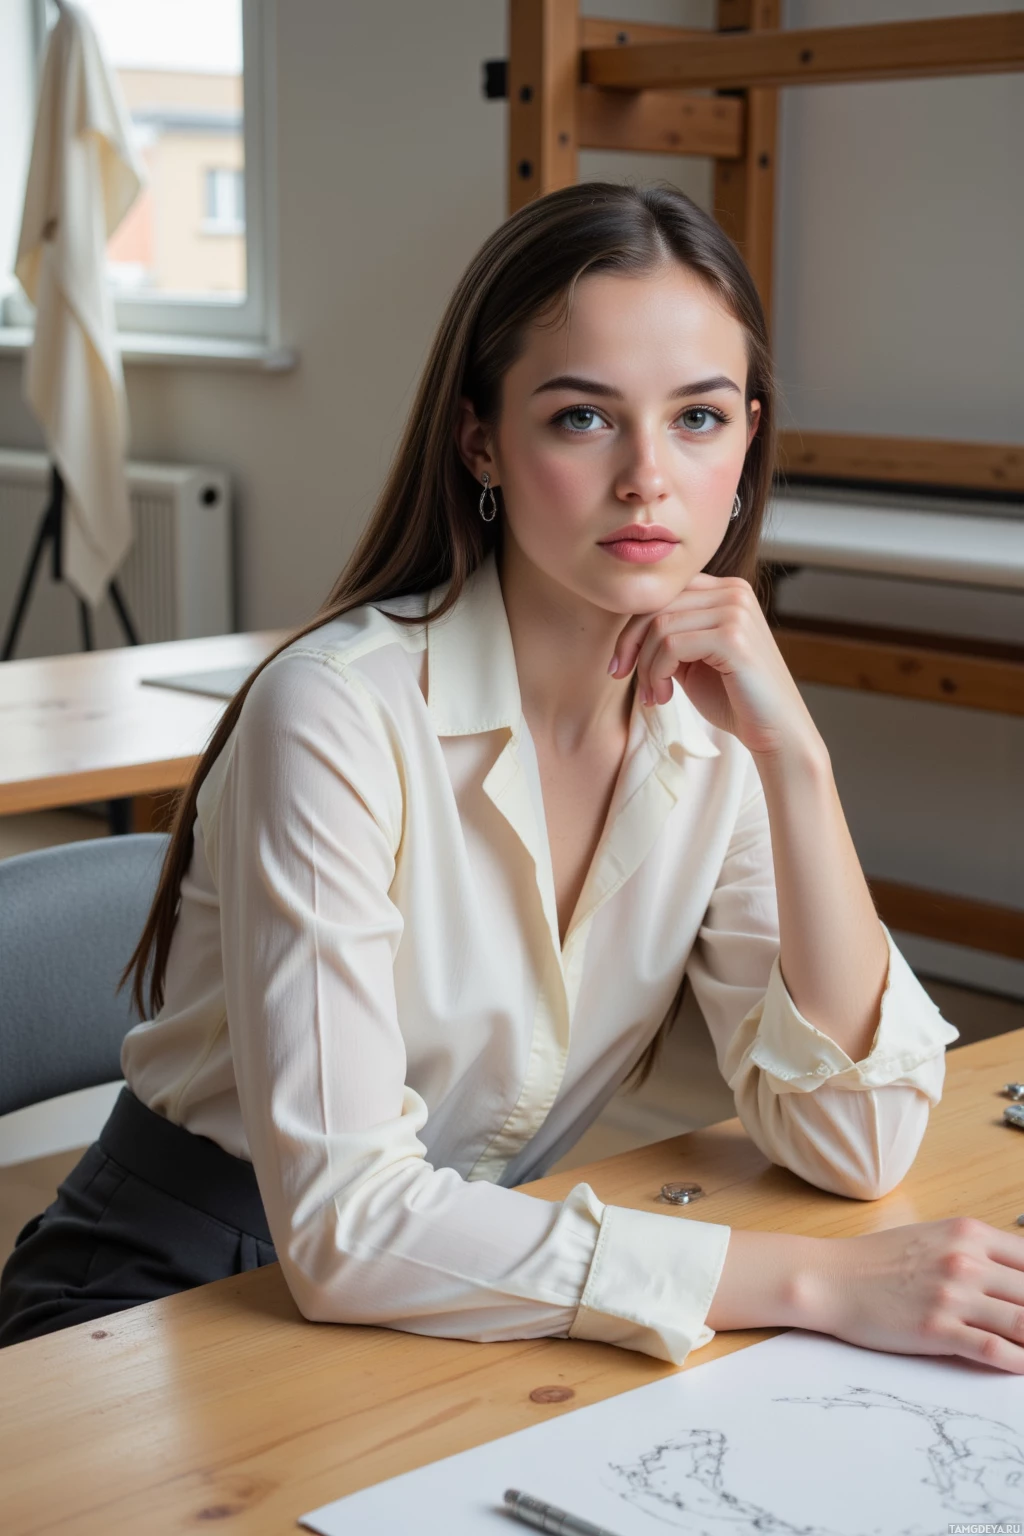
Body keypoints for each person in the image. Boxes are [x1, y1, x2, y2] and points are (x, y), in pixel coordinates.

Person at [2, 181, 1020, 1373]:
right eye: (583, 419)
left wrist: (796, 764)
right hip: (169, 1305)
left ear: (747, 439)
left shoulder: (716, 737)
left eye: (697, 419)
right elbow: (341, 1229)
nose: (648, 477)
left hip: (466, 1287)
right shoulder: (336, 711)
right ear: (482, 438)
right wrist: (807, 1283)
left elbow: (854, 1141)